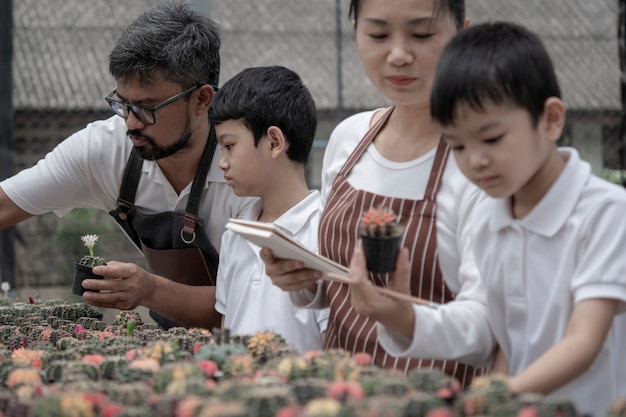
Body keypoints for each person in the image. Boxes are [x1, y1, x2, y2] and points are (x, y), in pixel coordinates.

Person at [261, 0, 494, 386]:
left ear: (463, 34)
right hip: (336, 394)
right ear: (355, 30)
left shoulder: (483, 164)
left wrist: (403, 319)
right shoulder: (348, 139)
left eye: (421, 34)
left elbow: (489, 326)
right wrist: (304, 280)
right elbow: (336, 285)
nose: (398, 55)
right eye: (378, 34)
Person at [0, 3, 255, 330]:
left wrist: (150, 289)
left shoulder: (248, 166)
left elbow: (253, 303)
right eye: (123, 103)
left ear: (202, 99)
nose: (131, 123)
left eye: (149, 107)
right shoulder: (104, 148)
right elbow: (6, 204)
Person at [427, 21, 626, 415]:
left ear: (551, 120)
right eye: (458, 145)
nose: (475, 160)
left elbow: (584, 342)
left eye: (492, 138)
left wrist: (502, 393)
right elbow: (509, 342)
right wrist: (495, 391)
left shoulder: (606, 212)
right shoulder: (486, 222)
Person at [209, 65, 328, 354]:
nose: (222, 162)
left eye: (229, 146)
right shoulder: (236, 234)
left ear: (274, 142)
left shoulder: (324, 231)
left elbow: (336, 343)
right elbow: (227, 327)